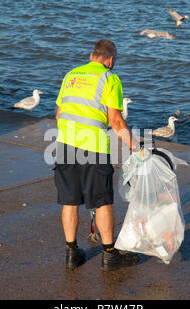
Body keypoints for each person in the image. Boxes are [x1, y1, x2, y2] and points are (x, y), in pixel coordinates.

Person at [54, 39, 144, 271]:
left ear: (91, 55)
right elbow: (115, 121)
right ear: (110, 60)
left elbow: (59, 113)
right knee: (102, 201)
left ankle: (71, 253)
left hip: (64, 144)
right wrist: (136, 147)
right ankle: (109, 255)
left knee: (69, 200)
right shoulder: (109, 78)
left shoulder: (70, 75)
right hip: (92, 147)